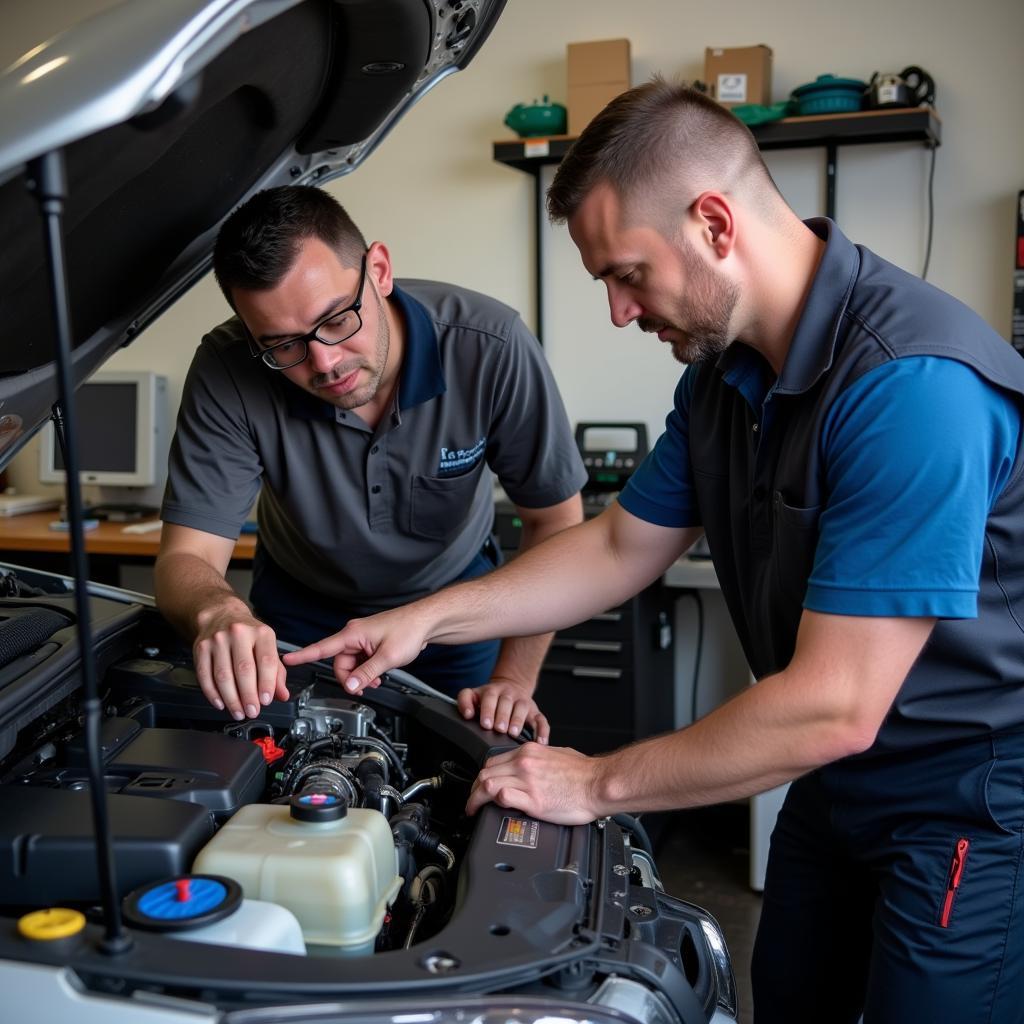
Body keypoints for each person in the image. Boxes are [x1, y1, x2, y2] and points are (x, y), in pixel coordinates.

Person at [282, 80, 1024, 1022]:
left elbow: (837, 704)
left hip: (966, 800)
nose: (619, 313)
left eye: (626, 274)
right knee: (793, 999)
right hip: (832, 783)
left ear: (715, 222)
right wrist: (422, 620)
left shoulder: (912, 387)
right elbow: (619, 546)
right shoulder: (722, 377)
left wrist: (595, 783)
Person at [154, 185, 586, 737]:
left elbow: (555, 522)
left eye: (336, 320)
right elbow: (186, 556)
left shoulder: (491, 345)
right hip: (301, 623)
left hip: (453, 617)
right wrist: (219, 612)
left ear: (378, 270)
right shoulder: (228, 368)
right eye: (283, 345)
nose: (325, 363)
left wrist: (515, 681)